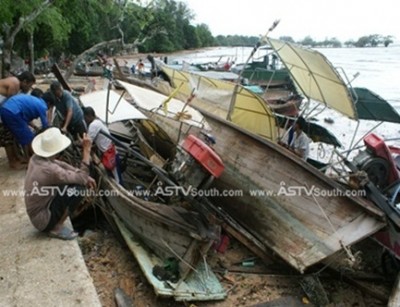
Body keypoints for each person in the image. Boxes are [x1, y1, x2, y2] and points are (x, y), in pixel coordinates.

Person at [24, 127, 96, 240]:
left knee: (69, 182)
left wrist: (80, 174)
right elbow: (81, 179)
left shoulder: (36, 158)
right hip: (43, 220)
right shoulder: (50, 170)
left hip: (36, 214)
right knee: (79, 188)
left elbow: (61, 164)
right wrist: (86, 151)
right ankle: (56, 227)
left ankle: (58, 219)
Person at [0, 71, 36, 168]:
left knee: (11, 135)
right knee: (7, 137)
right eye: (29, 86)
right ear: (24, 82)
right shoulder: (15, 83)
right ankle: (13, 162)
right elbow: (9, 106)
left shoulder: (16, 84)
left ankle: (17, 157)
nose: (29, 89)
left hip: (2, 109)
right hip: (3, 111)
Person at [0, 93, 48, 159]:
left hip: (4, 110)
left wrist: (35, 127)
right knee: (29, 138)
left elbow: (25, 119)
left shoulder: (35, 101)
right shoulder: (43, 107)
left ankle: (22, 157)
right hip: (14, 112)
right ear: (49, 103)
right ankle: (33, 160)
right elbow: (45, 126)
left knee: (16, 137)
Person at [83, 106, 121, 183]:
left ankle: (119, 191)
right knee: (115, 175)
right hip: (111, 151)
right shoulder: (98, 121)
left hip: (110, 154)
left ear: (89, 116)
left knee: (117, 179)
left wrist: (80, 143)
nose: (85, 120)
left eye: (85, 118)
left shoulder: (93, 125)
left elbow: (88, 142)